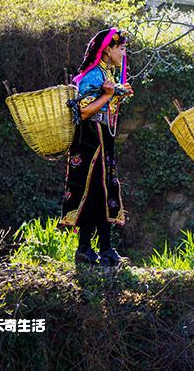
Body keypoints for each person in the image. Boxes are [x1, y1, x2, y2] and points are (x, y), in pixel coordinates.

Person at [61, 28, 134, 266]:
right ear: (108, 50)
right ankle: (87, 248)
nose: (124, 53)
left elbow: (107, 101)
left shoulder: (107, 74)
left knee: (104, 191)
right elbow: (83, 111)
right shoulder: (93, 75)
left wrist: (116, 95)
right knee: (93, 191)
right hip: (91, 140)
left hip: (103, 139)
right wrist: (107, 96)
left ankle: (103, 249)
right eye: (121, 48)